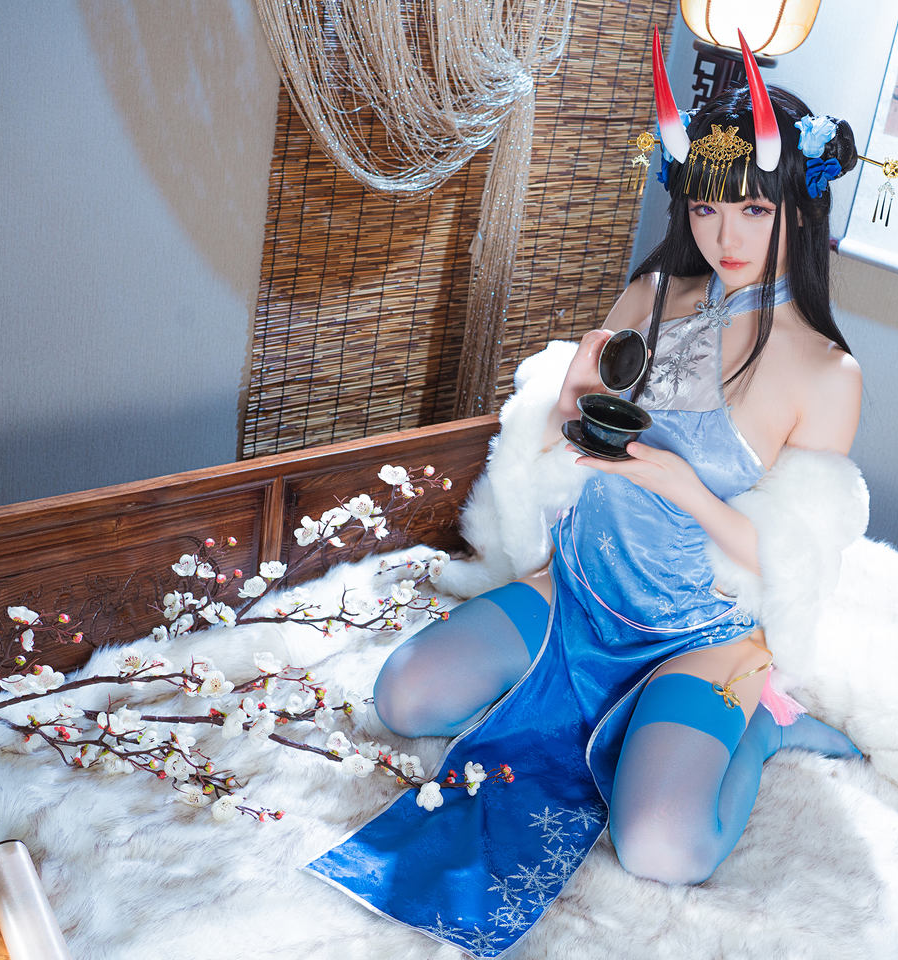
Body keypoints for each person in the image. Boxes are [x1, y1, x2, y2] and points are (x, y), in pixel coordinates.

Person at [308, 34, 867, 959]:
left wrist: (682, 486)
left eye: (754, 209)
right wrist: (569, 399)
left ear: (800, 210)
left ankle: (766, 730)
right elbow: (568, 438)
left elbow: (792, 560)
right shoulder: (654, 294)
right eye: (707, 207)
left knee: (661, 849)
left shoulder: (826, 374)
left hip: (701, 634)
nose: (725, 237)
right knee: (403, 696)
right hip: (576, 590)